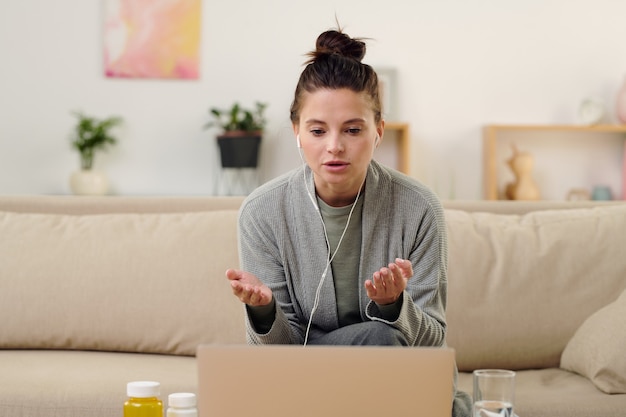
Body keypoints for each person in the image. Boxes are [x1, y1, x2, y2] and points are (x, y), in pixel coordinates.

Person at [225, 28, 472, 417]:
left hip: (399, 384)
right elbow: (276, 359)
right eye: (318, 130)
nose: (334, 146)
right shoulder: (262, 212)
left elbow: (432, 343)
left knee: (382, 337)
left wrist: (394, 307)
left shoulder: (419, 207)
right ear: (296, 133)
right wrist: (265, 311)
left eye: (353, 130)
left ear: (379, 131)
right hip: (304, 382)